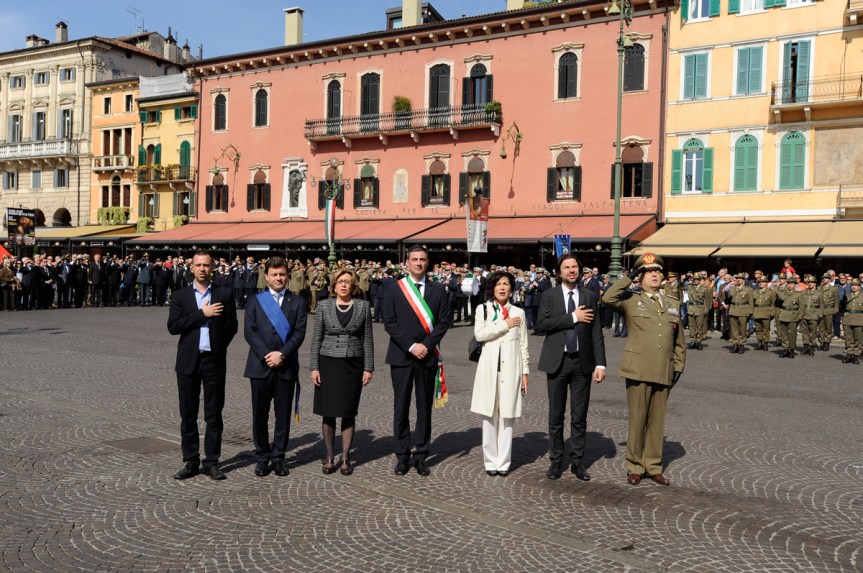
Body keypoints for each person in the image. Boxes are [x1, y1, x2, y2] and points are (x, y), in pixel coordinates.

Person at [602, 253, 686, 486]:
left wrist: (678, 365)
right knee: (638, 420)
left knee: (657, 421)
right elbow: (608, 298)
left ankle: (653, 465)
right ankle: (635, 466)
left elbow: (678, 339)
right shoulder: (631, 300)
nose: (655, 275)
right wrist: (626, 279)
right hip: (638, 369)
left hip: (663, 368)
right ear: (640, 277)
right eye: (649, 272)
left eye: (658, 272)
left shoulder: (672, 303)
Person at [167, 251, 238, 481]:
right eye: (198, 265)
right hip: (188, 361)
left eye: (206, 265)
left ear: (212, 267)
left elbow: (231, 327)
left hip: (213, 360)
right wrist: (202, 314)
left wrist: (218, 346)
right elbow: (174, 326)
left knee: (214, 413)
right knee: (188, 413)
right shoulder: (180, 296)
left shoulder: (224, 293)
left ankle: (211, 461)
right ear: (191, 267)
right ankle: (191, 460)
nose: (202, 269)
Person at [383, 245, 452, 477]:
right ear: (407, 262)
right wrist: (412, 346)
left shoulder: (438, 290)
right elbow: (389, 322)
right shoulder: (394, 288)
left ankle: (421, 454)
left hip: (427, 356)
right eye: (415, 259)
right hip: (402, 355)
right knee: (400, 407)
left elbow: (444, 322)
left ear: (428, 262)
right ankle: (402, 455)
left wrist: (426, 345)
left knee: (424, 408)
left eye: (423, 259)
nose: (419, 263)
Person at [536, 254, 606, 481]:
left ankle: (577, 462)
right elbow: (542, 324)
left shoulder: (589, 295)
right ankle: (556, 461)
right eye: (567, 267)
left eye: (575, 266)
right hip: (557, 361)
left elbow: (596, 332)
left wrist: (601, 363)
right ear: (559, 272)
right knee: (555, 416)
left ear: (580, 270)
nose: (571, 270)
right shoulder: (549, 295)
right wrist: (572, 317)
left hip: (582, 362)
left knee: (579, 416)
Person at [242, 256, 307, 477]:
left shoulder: (297, 302)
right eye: (274, 274)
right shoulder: (255, 301)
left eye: (282, 274)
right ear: (267, 276)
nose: (278, 278)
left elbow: (299, 334)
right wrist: (267, 355)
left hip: (285, 365)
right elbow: (249, 331)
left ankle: (278, 456)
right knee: (259, 415)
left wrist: (281, 354)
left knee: (283, 416)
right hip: (260, 366)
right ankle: (262, 456)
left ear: (287, 276)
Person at [309, 269, 374, 476]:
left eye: (347, 282)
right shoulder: (324, 306)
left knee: (348, 411)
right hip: (328, 362)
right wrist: (314, 367)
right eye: (340, 282)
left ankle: (345, 458)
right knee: (328, 411)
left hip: (352, 364)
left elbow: (368, 339)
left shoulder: (363, 307)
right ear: (334, 286)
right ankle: (329, 456)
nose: (344, 285)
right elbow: (316, 338)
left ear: (353, 286)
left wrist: (368, 367)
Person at [470, 271, 529, 477]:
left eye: (506, 284)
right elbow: (480, 334)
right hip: (488, 371)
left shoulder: (519, 313)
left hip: (511, 370)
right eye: (499, 284)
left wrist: (525, 372)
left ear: (512, 288)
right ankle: (490, 461)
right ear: (492, 288)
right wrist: (505, 324)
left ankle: (503, 462)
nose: (502, 287)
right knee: (488, 416)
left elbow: (523, 344)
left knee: (507, 417)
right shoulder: (483, 310)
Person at [725, 273, 754, 354]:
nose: (738, 280)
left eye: (740, 278)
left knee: (742, 329)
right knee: (734, 330)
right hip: (733, 310)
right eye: (737, 278)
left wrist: (751, 312)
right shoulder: (732, 289)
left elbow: (751, 302)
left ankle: (741, 345)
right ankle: (735, 345)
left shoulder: (748, 289)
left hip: (743, 311)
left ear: (743, 280)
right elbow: (727, 299)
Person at [776, 277, 804, 358]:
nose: (790, 285)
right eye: (789, 284)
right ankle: (785, 349)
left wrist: (800, 317)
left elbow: (802, 307)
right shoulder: (783, 294)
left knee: (792, 334)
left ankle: (791, 350)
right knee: (784, 334)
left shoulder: (798, 294)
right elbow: (778, 304)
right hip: (784, 314)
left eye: (792, 284)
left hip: (793, 315)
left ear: (795, 285)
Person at [799, 276, 824, 357]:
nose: (810, 284)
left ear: (815, 284)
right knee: (805, 332)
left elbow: (822, 306)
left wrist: (819, 315)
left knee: (812, 333)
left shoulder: (819, 294)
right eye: (808, 282)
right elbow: (801, 305)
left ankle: (811, 347)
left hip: (814, 315)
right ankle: (805, 346)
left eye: (812, 282)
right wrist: (800, 315)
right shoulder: (803, 293)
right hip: (804, 314)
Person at [841, 278, 862, 364]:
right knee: (848, 338)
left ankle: (856, 355)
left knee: (858, 338)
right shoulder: (847, 296)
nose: (854, 287)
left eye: (856, 285)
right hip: (848, 318)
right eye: (852, 285)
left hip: (859, 319)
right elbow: (841, 306)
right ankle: (849, 354)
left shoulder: (862, 296)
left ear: (859, 287)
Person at [685, 274, 709, 350]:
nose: (695, 280)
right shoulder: (689, 287)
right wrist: (686, 277)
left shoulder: (704, 288)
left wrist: (706, 309)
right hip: (691, 309)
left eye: (697, 279)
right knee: (692, 327)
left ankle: (698, 342)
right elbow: (680, 286)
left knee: (699, 326)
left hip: (700, 308)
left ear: (700, 280)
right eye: (694, 279)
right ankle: (693, 341)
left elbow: (707, 300)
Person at [752, 275, 776, 351]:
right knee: (758, 329)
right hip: (757, 311)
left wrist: (772, 313)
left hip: (766, 312)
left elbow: (773, 304)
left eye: (763, 282)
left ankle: (765, 343)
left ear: (766, 283)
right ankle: (759, 342)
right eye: (760, 282)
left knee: (766, 329)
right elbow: (752, 303)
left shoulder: (771, 293)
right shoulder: (755, 292)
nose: (761, 283)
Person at [818, 273, 839, 351]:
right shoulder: (819, 288)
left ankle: (827, 342)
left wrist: (835, 309)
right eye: (823, 278)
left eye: (826, 278)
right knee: (821, 327)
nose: (824, 279)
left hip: (829, 310)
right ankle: (822, 342)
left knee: (828, 327)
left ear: (830, 279)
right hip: (820, 310)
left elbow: (836, 300)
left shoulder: (833, 289)